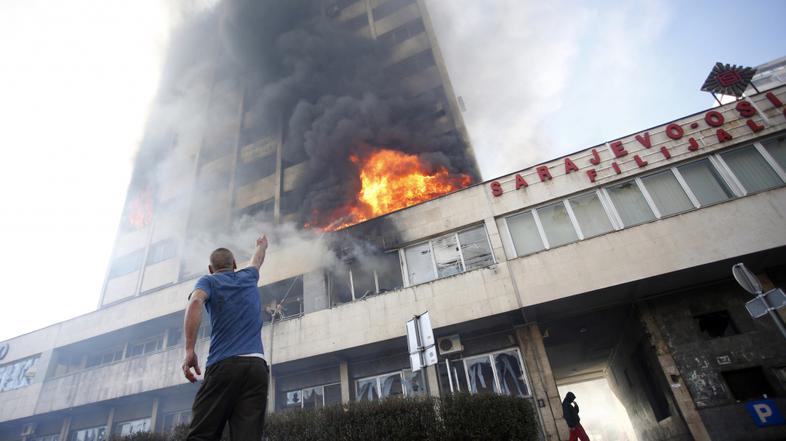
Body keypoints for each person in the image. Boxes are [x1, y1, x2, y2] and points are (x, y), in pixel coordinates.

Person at [182, 234, 269, 441]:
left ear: (211, 269)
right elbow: (257, 260)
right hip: (256, 366)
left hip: (224, 365)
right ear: (235, 265)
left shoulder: (209, 281)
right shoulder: (249, 276)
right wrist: (261, 245)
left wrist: (189, 350)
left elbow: (195, 303)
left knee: (202, 435)